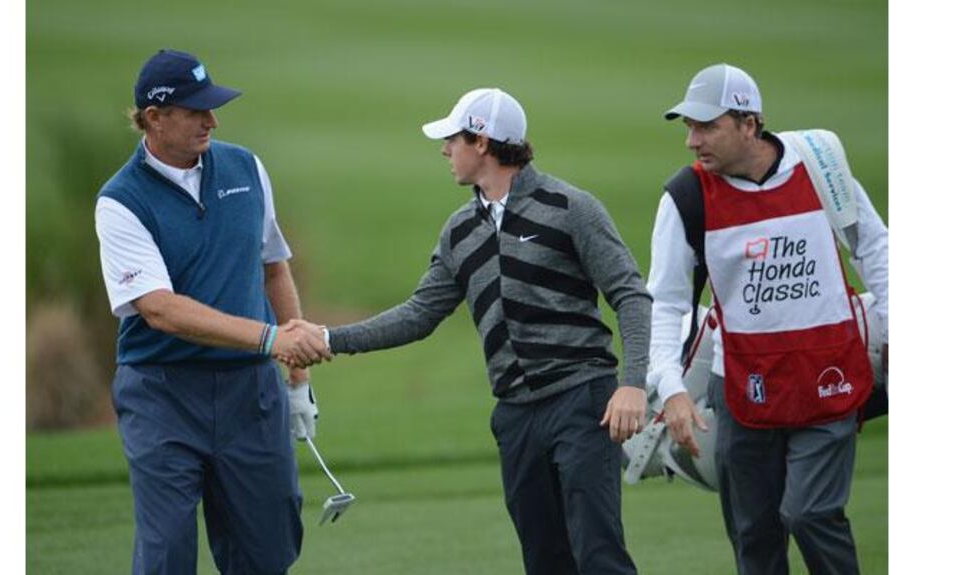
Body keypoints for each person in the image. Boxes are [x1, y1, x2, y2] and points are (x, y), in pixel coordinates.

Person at [288, 88, 652, 575]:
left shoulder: (571, 208)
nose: (444, 150)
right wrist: (331, 338)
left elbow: (630, 293)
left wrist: (633, 383)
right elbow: (420, 314)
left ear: (482, 142)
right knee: (545, 561)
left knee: (599, 556)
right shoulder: (460, 230)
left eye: (452, 139)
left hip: (582, 402)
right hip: (516, 417)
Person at [94, 48, 331, 575]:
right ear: (154, 119)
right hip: (163, 392)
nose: (212, 120)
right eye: (196, 110)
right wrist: (271, 341)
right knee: (167, 552)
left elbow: (274, 267)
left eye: (213, 107)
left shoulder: (246, 167)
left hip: (250, 393)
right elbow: (160, 309)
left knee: (268, 548)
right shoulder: (120, 201)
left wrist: (297, 380)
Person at [647, 63, 889, 574]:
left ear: (749, 124)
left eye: (707, 126)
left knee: (811, 514)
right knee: (754, 535)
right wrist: (670, 387)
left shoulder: (820, 163)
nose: (692, 141)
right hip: (740, 389)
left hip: (830, 375)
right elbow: (666, 303)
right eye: (687, 127)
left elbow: (875, 247)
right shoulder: (686, 197)